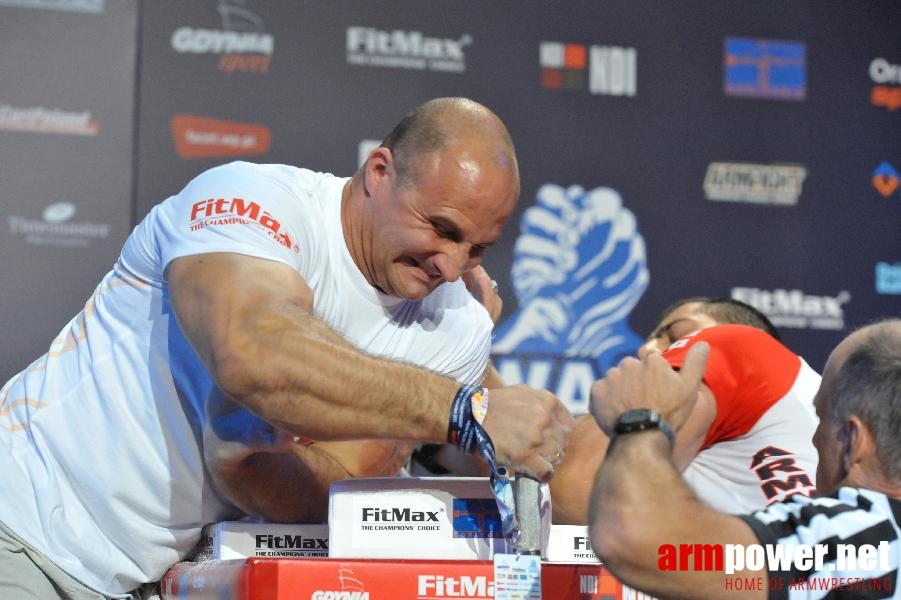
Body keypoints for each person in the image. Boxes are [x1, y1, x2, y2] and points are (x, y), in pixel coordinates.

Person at [0, 97, 574, 599]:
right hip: (21, 524)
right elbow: (252, 350)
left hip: (142, 578)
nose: (451, 267)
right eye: (443, 229)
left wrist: (246, 460)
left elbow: (328, 496)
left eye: (478, 250)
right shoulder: (252, 199)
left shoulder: (458, 329)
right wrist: (465, 411)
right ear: (379, 171)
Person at [588, 318, 901, 599]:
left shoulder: (863, 540)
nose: (813, 438)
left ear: (852, 440)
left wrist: (641, 420)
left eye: (821, 417)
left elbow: (635, 536)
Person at [550, 297, 820, 523]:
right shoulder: (812, 406)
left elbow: (578, 490)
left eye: (674, 335)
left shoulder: (736, 344)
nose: (646, 349)